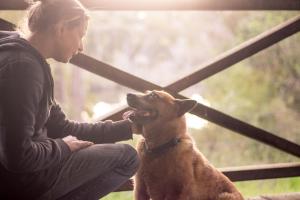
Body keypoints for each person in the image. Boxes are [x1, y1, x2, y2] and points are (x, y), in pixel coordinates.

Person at [0, 0, 140, 199]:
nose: (81, 46)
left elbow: (62, 128)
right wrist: (63, 147)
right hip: (21, 184)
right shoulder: (23, 69)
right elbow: (18, 158)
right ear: (61, 28)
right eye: (80, 35)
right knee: (128, 157)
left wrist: (128, 127)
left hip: (19, 175)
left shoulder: (23, 56)